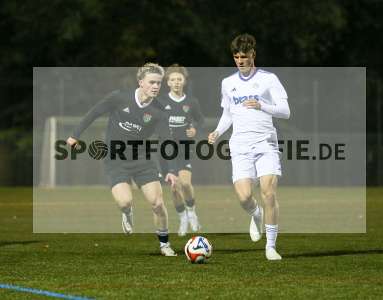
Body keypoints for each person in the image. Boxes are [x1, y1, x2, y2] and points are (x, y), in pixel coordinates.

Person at [67, 63, 178, 256]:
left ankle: (164, 244)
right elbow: (94, 112)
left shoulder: (160, 111)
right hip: (115, 159)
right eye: (152, 82)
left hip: (142, 160)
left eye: (159, 83)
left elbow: (165, 142)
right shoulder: (119, 97)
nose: (156, 86)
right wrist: (75, 135)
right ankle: (127, 213)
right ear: (140, 82)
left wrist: (169, 169)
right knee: (125, 202)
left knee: (158, 203)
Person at [208, 34, 290, 260]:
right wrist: (217, 131)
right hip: (240, 145)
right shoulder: (228, 83)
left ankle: (271, 246)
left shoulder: (269, 79)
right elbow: (228, 113)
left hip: (266, 143)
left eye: (244, 56)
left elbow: (285, 111)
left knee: (269, 193)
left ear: (253, 54)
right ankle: (256, 214)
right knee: (244, 197)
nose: (240, 61)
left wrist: (262, 105)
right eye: (236, 57)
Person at [157, 64, 204, 236]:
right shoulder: (160, 102)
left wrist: (195, 130)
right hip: (166, 151)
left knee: (185, 183)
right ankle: (182, 217)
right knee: (174, 187)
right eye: (172, 79)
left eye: (179, 79)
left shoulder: (191, 102)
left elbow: (200, 120)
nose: (176, 82)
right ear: (167, 82)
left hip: (184, 147)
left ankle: (191, 211)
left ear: (184, 81)